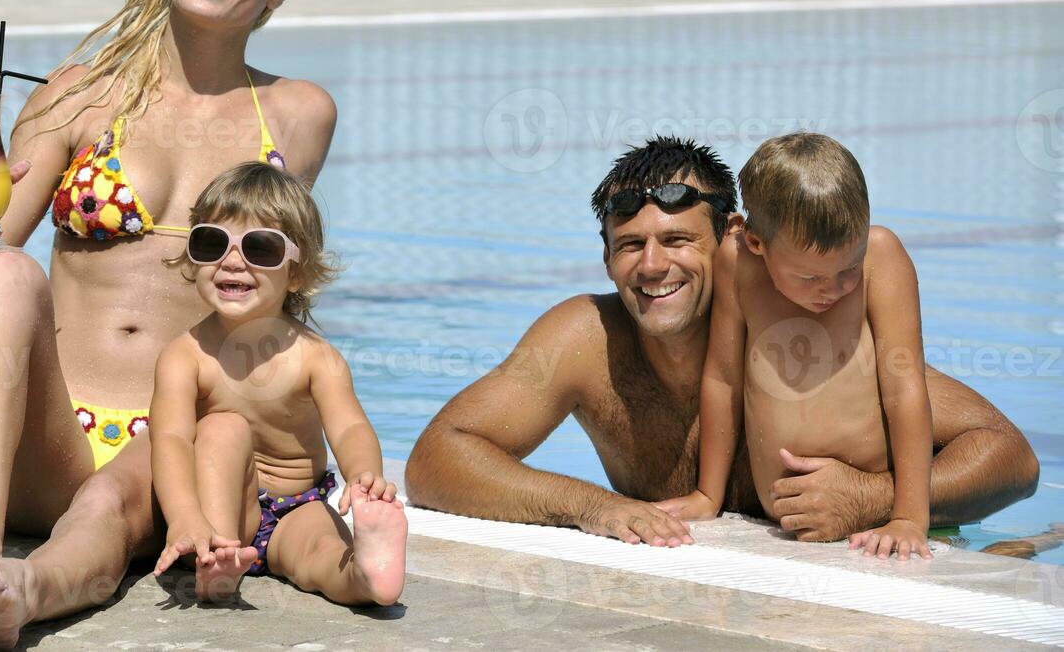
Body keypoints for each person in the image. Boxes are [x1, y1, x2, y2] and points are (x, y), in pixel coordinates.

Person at [0, 0, 338, 649]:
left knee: (109, 511)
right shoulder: (79, 94)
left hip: (176, 434)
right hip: (49, 435)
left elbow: (279, 295)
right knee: (10, 269)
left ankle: (13, 593)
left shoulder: (298, 115)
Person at [406, 138, 1038, 548]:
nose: (653, 266)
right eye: (630, 246)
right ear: (605, 259)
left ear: (735, 240)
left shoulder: (805, 330)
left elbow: (1011, 457)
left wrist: (873, 498)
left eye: (678, 240)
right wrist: (592, 507)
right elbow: (436, 460)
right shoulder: (586, 341)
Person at [656, 134, 933, 559]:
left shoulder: (882, 257)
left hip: (874, 523)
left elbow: (905, 386)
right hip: (780, 526)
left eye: (848, 268)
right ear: (756, 244)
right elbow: (723, 379)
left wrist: (909, 518)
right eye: (809, 278)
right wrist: (707, 495)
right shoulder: (738, 264)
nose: (832, 290)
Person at [149, 162, 407, 605]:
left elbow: (348, 428)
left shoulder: (315, 357)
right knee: (221, 427)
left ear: (297, 273)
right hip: (224, 512)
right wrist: (185, 518)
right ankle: (219, 559)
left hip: (298, 508)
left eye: (261, 248)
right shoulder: (184, 356)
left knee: (322, 555)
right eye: (212, 242)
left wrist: (363, 477)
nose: (232, 260)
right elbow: (169, 440)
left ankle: (367, 577)